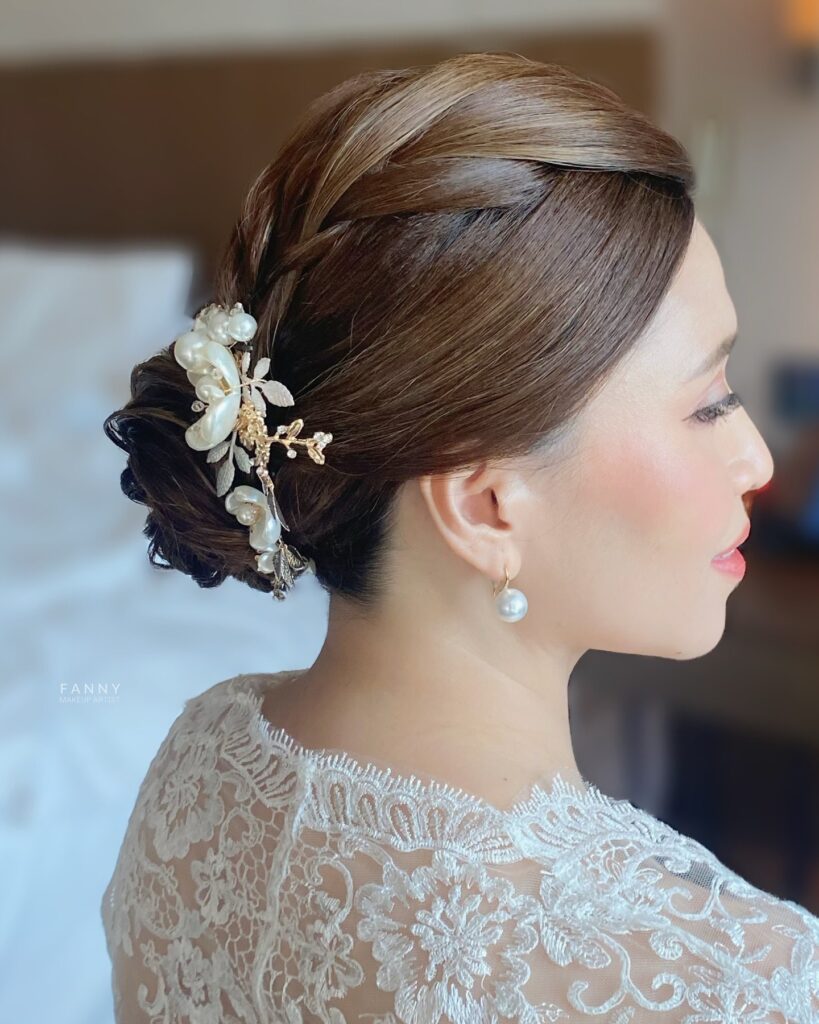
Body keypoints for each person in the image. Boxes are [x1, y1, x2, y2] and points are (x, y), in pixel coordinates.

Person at [100, 52, 818, 1023]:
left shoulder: (194, 770)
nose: (759, 463)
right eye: (709, 404)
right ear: (486, 507)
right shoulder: (738, 981)